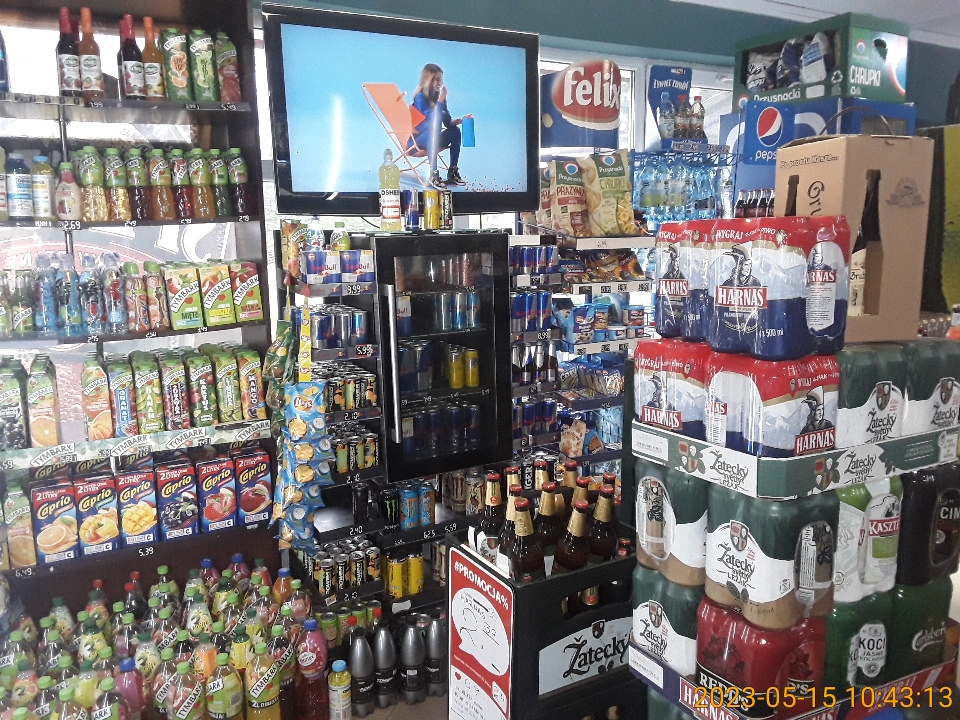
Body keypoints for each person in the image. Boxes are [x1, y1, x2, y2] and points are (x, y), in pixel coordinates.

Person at [410, 63, 470, 188]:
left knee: (455, 131)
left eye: (441, 79)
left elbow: (447, 122)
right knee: (432, 133)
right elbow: (430, 121)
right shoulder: (420, 98)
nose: (440, 83)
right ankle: (433, 174)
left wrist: (460, 120)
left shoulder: (438, 98)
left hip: (434, 138)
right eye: (436, 79)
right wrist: (440, 102)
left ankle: (452, 171)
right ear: (428, 80)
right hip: (418, 140)